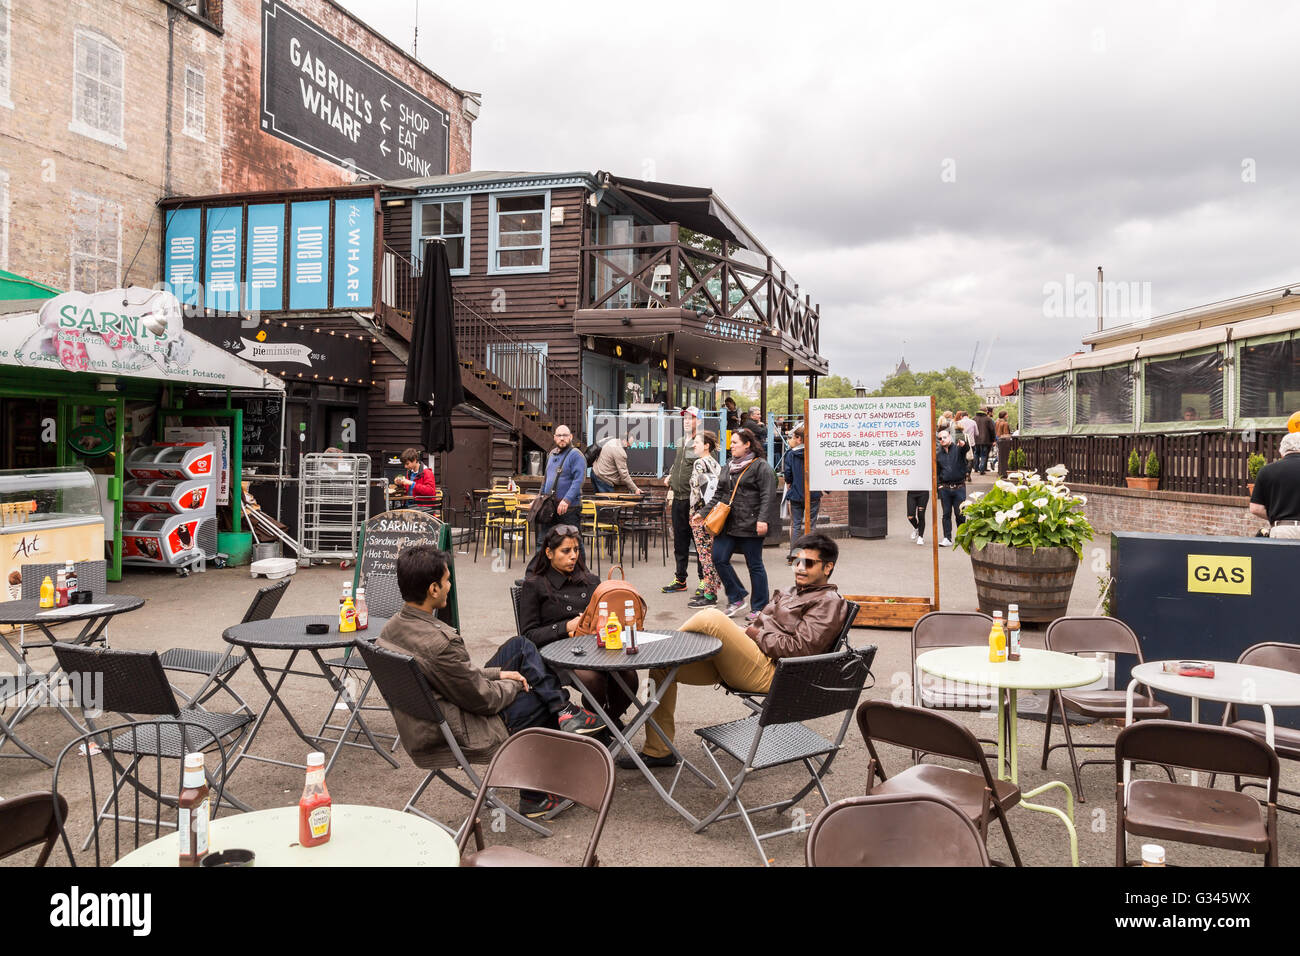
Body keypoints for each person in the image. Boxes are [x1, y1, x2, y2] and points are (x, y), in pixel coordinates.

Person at [376, 545, 602, 817]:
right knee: (539, 696)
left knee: (520, 646)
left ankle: (564, 711)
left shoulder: (391, 629)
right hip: (463, 728)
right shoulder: (441, 643)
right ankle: (535, 796)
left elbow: (450, 675)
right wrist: (515, 684)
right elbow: (485, 699)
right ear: (433, 589)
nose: (450, 586)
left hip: (430, 719)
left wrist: (498, 673)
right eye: (447, 580)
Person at [620, 533, 851, 769]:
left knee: (711, 617)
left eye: (809, 563)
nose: (800, 568)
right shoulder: (793, 590)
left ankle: (651, 647)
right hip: (749, 658)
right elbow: (760, 624)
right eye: (795, 561)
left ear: (828, 567)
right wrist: (745, 633)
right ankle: (658, 751)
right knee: (663, 667)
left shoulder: (828, 602)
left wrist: (750, 634)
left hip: (777, 674)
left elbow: (800, 649)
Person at [519, 525, 638, 720]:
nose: (573, 556)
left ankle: (604, 723)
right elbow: (528, 636)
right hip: (555, 651)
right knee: (593, 679)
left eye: (575, 550)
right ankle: (598, 724)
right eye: (565, 551)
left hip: (595, 645)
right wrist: (566, 627)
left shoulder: (591, 581)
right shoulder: (534, 585)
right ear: (549, 553)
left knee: (629, 677)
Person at [706, 428, 776, 621]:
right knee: (718, 558)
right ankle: (736, 597)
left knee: (754, 565)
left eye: (735, 442)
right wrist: (703, 514)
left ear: (747, 445)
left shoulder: (761, 466)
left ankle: (760, 607)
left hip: (751, 523)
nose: (732, 446)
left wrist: (762, 519)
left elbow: (768, 496)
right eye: (731, 443)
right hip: (728, 523)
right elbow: (719, 495)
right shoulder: (728, 465)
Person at [662, 406, 701, 594]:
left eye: (691, 418)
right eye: (684, 418)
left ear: (698, 422)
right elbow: (678, 464)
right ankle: (680, 580)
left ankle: (704, 581)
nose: (686, 421)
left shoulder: (702, 442)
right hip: (677, 498)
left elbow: (707, 469)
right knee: (680, 541)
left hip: (693, 501)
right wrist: (670, 475)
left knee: (700, 542)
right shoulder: (680, 441)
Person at [687, 430, 723, 608]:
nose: (694, 445)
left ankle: (709, 595)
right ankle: (712, 589)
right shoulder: (715, 464)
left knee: (705, 555)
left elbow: (696, 491)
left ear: (706, 445)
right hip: (713, 514)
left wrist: (695, 513)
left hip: (700, 514)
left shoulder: (699, 463)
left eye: (697, 442)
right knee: (710, 553)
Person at [537, 425, 586, 555]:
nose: (562, 438)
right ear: (554, 438)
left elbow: (578, 481)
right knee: (543, 542)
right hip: (550, 507)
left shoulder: (576, 455)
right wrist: (539, 499)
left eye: (565, 435)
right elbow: (546, 479)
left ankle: (581, 574)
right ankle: (538, 573)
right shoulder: (552, 454)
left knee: (575, 543)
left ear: (570, 437)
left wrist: (567, 500)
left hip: (569, 509)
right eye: (559, 436)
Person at [781, 424, 822, 559]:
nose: (792, 439)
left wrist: (790, 484)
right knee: (811, 524)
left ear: (799, 439)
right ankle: (811, 553)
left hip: (796, 493)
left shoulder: (790, 454)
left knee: (796, 525)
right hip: (813, 493)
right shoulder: (815, 453)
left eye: (794, 437)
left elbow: (787, 474)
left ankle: (794, 555)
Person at [1250, 433, 1300, 539]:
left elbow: (1255, 508)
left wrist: (1276, 516)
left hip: (1282, 530)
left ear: (1282, 451)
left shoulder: (1266, 471)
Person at [936, 429, 968, 546]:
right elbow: (937, 472)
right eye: (940, 438)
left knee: (960, 514)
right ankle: (947, 538)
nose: (942, 440)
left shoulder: (958, 449)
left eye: (944, 437)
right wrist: (938, 486)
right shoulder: (938, 455)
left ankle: (961, 537)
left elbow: (966, 449)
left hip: (959, 487)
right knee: (946, 514)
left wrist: (964, 445)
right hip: (945, 488)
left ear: (949, 437)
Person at [972, 408, 995, 475]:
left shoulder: (974, 419)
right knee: (984, 455)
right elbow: (992, 430)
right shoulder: (988, 419)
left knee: (976, 454)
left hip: (976, 440)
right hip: (986, 440)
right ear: (986, 411)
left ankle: (976, 468)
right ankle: (982, 469)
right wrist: (993, 439)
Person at [995, 411, 1013, 478]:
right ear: (1004, 416)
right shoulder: (1005, 423)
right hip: (1004, 441)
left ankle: (999, 469)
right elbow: (1006, 434)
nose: (1007, 415)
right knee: (1004, 456)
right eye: (1007, 414)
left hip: (998, 439)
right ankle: (1003, 471)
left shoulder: (997, 422)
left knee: (999, 455)